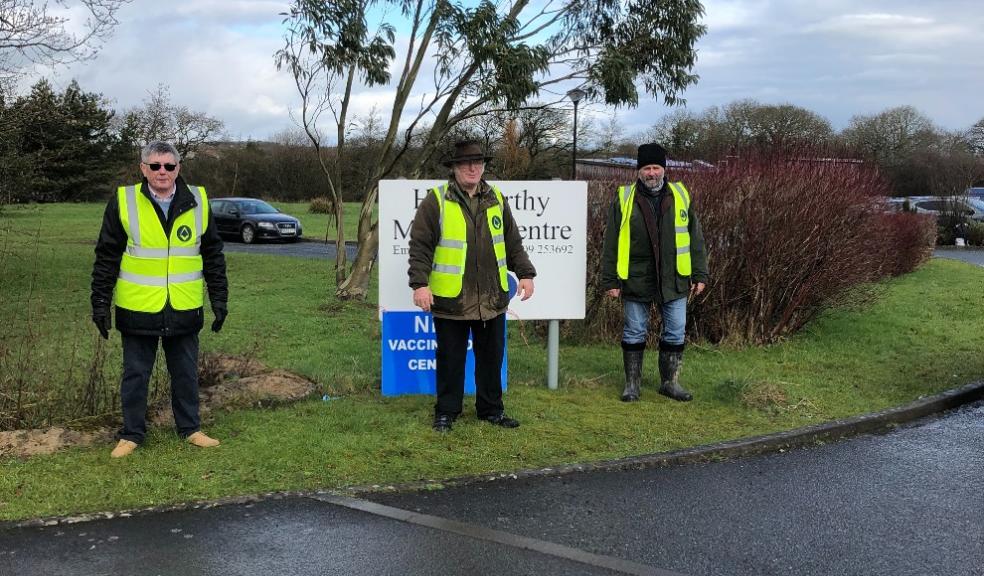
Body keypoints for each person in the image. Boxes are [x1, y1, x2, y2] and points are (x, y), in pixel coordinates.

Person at [91, 141, 228, 458]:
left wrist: (219, 300)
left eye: (168, 166)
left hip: (183, 306)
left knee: (185, 373)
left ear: (178, 168)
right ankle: (131, 435)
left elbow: (213, 256)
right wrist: (100, 303)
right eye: (155, 166)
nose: (162, 172)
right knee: (136, 375)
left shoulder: (198, 200)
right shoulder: (124, 201)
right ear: (143, 168)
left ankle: (190, 429)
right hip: (138, 308)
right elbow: (106, 257)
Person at [408, 140, 536, 432]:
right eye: (466, 163)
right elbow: (420, 247)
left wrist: (526, 274)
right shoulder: (436, 200)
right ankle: (446, 412)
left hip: (492, 299)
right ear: (453, 168)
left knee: (491, 359)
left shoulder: (497, 198)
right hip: (452, 299)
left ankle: (491, 410)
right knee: (450, 360)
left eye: (478, 162)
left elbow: (513, 242)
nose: (472, 168)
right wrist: (419, 284)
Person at [600, 143, 709, 402]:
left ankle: (670, 383)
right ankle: (632, 385)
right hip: (636, 277)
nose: (652, 173)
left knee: (675, 331)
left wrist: (700, 273)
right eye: (647, 168)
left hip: (675, 278)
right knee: (634, 331)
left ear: (664, 169)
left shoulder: (681, 195)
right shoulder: (624, 198)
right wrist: (610, 280)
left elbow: (696, 238)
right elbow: (611, 241)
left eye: (656, 167)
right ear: (639, 171)